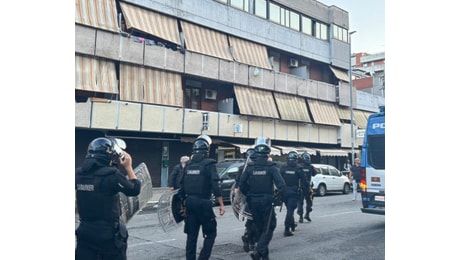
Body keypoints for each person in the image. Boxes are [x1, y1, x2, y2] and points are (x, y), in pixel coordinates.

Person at [75, 137, 141, 260]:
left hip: (85, 231)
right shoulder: (111, 175)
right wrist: (128, 167)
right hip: (107, 235)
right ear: (110, 156)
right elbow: (134, 189)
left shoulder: (78, 174)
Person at [178, 134, 225, 260]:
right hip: (204, 203)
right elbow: (215, 186)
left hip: (189, 203)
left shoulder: (187, 165)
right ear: (207, 150)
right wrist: (221, 204)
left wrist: (182, 205)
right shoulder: (209, 164)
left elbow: (181, 186)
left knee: (191, 236)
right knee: (211, 233)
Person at [239, 137, 286, 260]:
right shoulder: (271, 167)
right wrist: (278, 198)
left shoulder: (249, 167)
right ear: (267, 154)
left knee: (260, 229)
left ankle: (264, 257)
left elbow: (241, 185)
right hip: (267, 201)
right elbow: (281, 185)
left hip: (253, 202)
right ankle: (258, 251)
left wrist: (248, 195)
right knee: (269, 227)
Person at [234, 148, 258, 252]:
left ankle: (247, 235)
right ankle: (250, 239)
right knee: (256, 220)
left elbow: (238, 184)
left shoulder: (241, 168)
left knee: (250, 218)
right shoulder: (254, 168)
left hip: (246, 198)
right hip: (254, 197)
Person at [280, 151, 307, 236]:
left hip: (284, 192)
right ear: (296, 160)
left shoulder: (283, 168)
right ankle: (287, 229)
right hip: (293, 192)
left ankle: (292, 224)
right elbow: (304, 181)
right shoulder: (298, 169)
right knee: (290, 210)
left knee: (289, 209)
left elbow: (278, 180)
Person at [297, 152, 316, 222]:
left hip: (300, 186)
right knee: (309, 201)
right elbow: (315, 173)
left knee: (300, 202)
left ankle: (301, 216)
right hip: (308, 187)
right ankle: (307, 214)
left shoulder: (298, 166)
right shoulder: (311, 167)